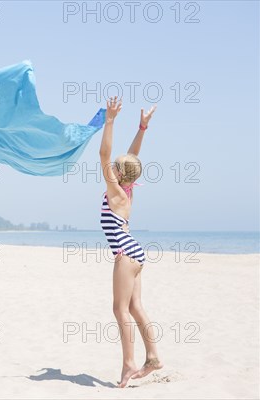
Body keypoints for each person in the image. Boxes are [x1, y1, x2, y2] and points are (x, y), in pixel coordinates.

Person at [99, 96, 163, 388]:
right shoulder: (127, 187)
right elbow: (130, 157)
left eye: (115, 167)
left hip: (126, 253)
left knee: (120, 309)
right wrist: (142, 127)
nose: (111, 166)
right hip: (135, 252)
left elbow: (104, 154)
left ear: (119, 174)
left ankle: (128, 365)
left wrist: (110, 120)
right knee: (135, 306)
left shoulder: (116, 192)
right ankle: (153, 356)